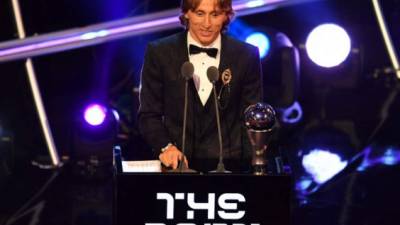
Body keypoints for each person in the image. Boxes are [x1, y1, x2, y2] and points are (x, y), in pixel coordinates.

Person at [138, 0, 262, 172]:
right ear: (186, 13)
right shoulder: (159, 52)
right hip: (177, 168)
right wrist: (165, 147)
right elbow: (148, 114)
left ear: (226, 15)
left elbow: (251, 116)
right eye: (200, 13)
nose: (207, 24)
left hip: (230, 169)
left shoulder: (246, 55)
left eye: (215, 14)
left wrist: (248, 165)